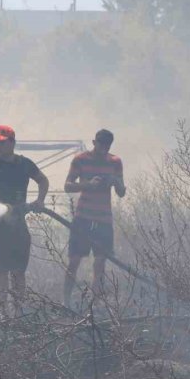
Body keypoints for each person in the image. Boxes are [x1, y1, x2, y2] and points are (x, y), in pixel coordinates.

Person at [0, 125, 50, 312]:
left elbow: (43, 180)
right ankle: (2, 314)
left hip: (17, 226)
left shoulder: (24, 164)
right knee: (0, 271)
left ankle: (18, 313)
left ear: (12, 143)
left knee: (18, 271)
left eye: (2, 143)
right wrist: (0, 209)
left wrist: (40, 200)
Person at [63, 129, 126, 307]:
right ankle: (65, 302)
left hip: (103, 220)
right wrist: (88, 185)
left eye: (107, 146)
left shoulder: (115, 162)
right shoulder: (80, 159)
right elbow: (68, 186)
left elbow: (121, 192)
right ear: (94, 142)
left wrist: (116, 182)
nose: (103, 149)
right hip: (83, 217)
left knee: (100, 262)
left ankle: (95, 304)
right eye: (100, 145)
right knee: (74, 260)